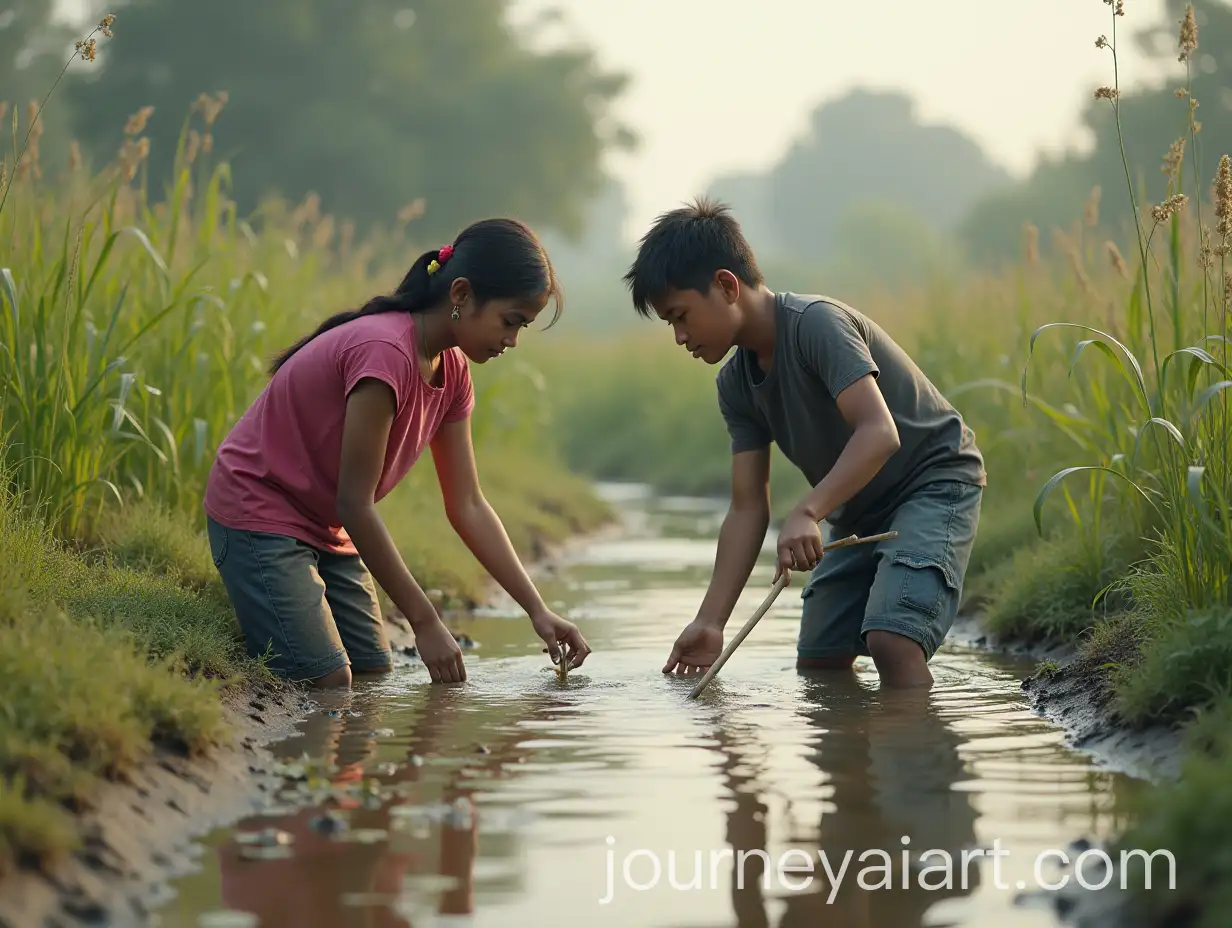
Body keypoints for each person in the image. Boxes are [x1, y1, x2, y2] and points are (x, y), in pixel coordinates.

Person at [203, 217, 591, 689]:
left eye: (522, 327)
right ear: (462, 294)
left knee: (373, 672)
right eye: (510, 322)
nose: (512, 340)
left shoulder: (453, 371)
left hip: (325, 527)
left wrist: (538, 610)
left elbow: (468, 504)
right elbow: (355, 503)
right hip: (259, 509)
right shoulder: (384, 354)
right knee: (329, 681)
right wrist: (425, 622)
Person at [623, 198, 985, 688]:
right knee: (820, 660)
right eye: (671, 323)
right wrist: (710, 621)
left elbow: (879, 433)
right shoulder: (735, 385)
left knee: (893, 640)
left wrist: (808, 511)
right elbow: (747, 508)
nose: (679, 336)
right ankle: (856, 740)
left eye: (681, 316)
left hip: (931, 484)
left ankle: (912, 738)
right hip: (859, 514)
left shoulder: (817, 325)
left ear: (726, 286)